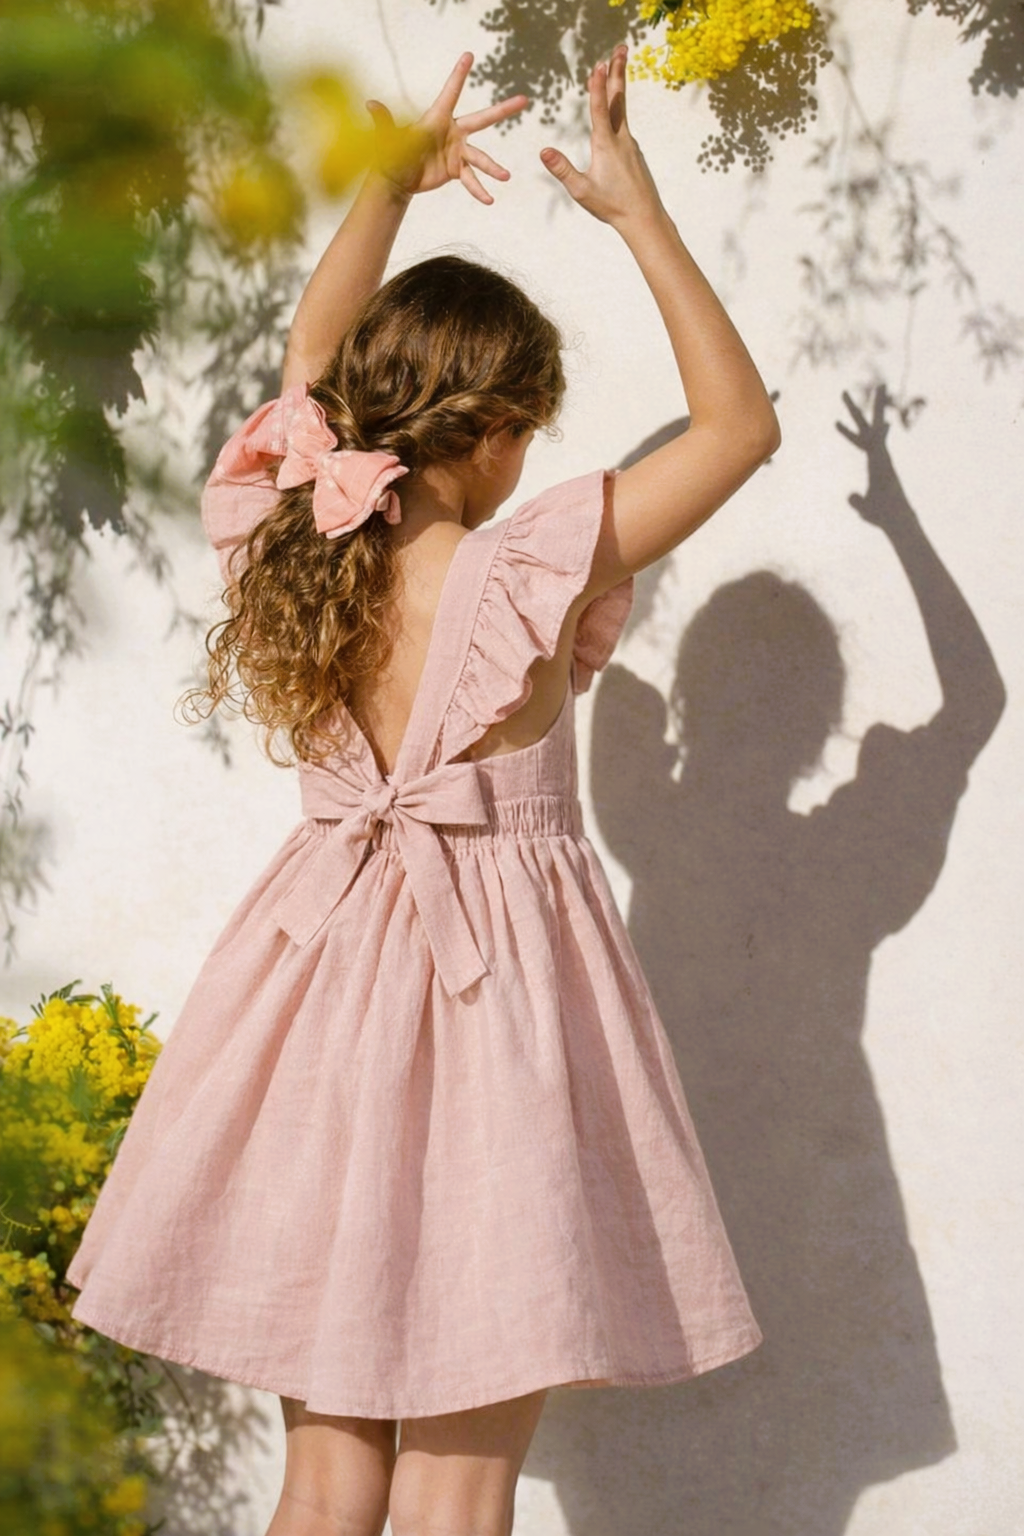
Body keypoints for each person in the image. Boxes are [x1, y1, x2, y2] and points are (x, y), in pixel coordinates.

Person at [67, 46, 780, 1536]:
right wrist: (639, 216)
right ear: (499, 428)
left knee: (327, 1482)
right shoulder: (528, 567)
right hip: (495, 1016)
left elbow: (308, 354)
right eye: (530, 434)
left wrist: (388, 187)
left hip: (313, 1000)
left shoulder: (299, 531)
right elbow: (738, 428)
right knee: (458, 1494)